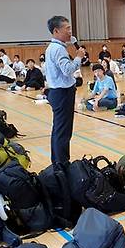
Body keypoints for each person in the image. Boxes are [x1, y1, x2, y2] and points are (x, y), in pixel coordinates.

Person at [44, 15, 84, 164]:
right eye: (67, 29)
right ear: (56, 31)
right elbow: (68, 70)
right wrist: (78, 57)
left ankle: (58, 162)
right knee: (63, 132)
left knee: (59, 130)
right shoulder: (58, 49)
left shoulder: (52, 48)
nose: (70, 32)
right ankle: (62, 164)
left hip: (58, 92)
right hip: (62, 93)